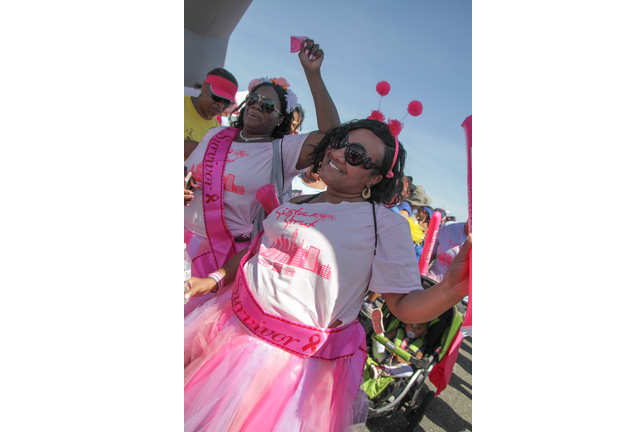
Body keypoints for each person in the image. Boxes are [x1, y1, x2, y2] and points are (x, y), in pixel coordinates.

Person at [184, 119, 472, 431]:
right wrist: (214, 278)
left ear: (375, 177)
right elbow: (257, 249)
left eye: (356, 154)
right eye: (339, 142)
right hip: (227, 324)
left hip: (282, 363)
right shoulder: (296, 201)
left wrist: (450, 291)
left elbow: (403, 306)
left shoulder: (385, 225)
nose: (338, 153)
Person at [183, 39, 339, 317]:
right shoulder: (217, 135)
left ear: (281, 118)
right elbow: (187, 174)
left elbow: (333, 139)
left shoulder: (282, 150)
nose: (256, 107)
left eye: (267, 105)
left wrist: (313, 74)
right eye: (253, 101)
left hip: (223, 259)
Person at [184, 68, 238, 159]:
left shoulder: (217, 131)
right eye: (217, 97)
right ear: (204, 88)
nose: (221, 105)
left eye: (226, 102)